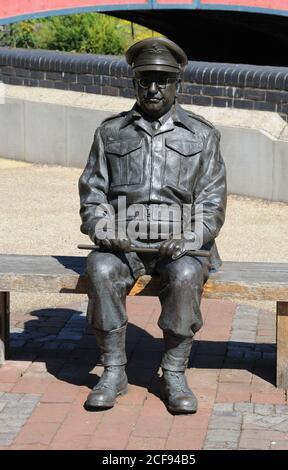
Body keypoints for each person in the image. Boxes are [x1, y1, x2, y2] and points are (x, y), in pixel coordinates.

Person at [79, 37, 227, 414]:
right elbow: (92, 192)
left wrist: (191, 236)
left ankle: (174, 372)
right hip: (123, 243)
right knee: (99, 267)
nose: (154, 88)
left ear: (178, 84)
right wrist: (101, 228)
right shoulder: (110, 132)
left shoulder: (201, 135)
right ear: (134, 82)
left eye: (163, 80)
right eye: (145, 79)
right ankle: (113, 371)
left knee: (185, 276)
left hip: (180, 243)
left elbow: (212, 201)